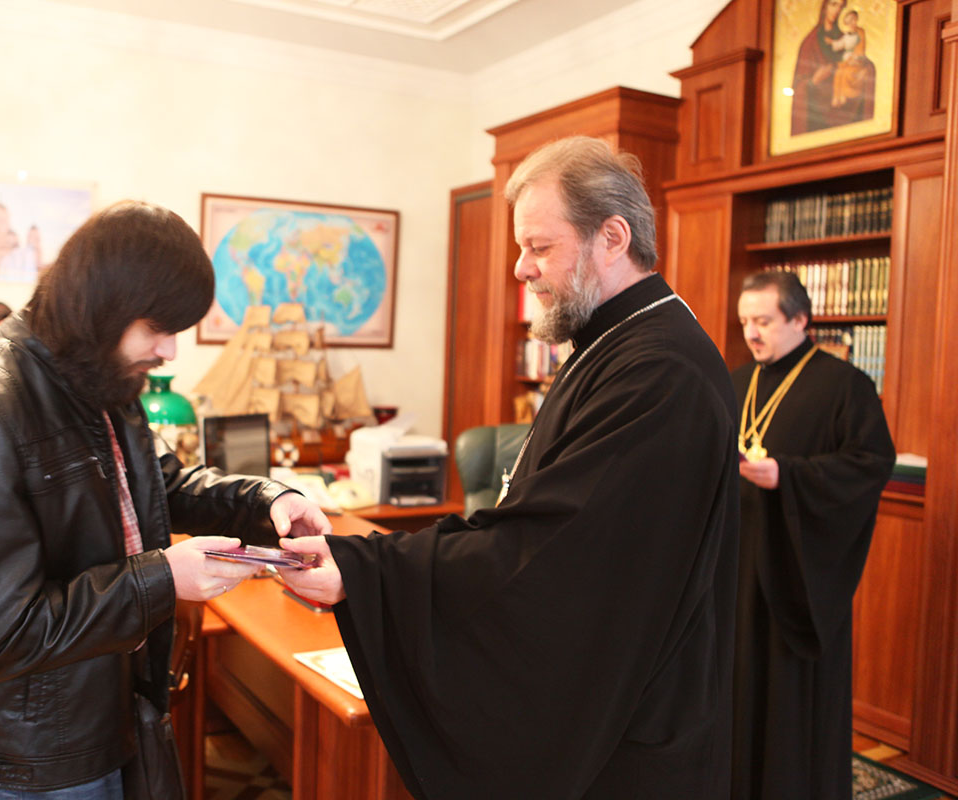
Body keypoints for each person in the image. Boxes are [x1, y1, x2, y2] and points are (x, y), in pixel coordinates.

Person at [279, 136, 740, 799]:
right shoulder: (616, 343)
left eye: (539, 247)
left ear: (612, 237)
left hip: (632, 730)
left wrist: (365, 569)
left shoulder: (658, 369)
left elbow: (552, 549)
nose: (521, 269)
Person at [0, 200, 331, 797]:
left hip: (105, 712)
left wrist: (265, 500)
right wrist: (161, 579)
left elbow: (159, 484)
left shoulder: (97, 373)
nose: (170, 351)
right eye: (158, 329)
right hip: (32, 757)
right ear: (102, 307)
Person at [730, 270, 893, 800]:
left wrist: (789, 475)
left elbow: (871, 464)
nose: (751, 333)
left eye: (763, 321)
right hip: (739, 561)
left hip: (799, 570)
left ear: (800, 319)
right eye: (745, 322)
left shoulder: (845, 385)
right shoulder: (737, 382)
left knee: (788, 691)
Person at [790, 0, 874, 134]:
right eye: (833, 4)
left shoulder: (847, 37)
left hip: (849, 108)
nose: (837, 10)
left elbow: (860, 58)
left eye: (841, 6)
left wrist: (865, 71)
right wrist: (814, 81)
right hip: (818, 119)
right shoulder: (810, 43)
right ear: (824, 6)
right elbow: (798, 85)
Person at [830, 9, 873, 109]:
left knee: (847, 72)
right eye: (849, 21)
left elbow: (861, 49)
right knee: (838, 72)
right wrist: (832, 43)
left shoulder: (860, 32)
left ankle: (845, 94)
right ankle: (837, 96)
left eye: (854, 20)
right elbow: (839, 45)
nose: (852, 23)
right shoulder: (847, 35)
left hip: (858, 61)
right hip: (848, 60)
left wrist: (855, 57)